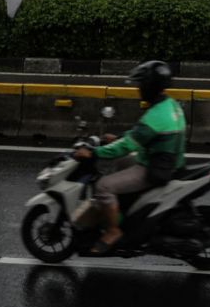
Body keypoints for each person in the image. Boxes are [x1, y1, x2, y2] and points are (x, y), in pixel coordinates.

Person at [73, 60, 186, 254]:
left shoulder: (156, 115)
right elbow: (140, 136)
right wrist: (117, 138)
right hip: (167, 161)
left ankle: (113, 230)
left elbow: (126, 146)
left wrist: (94, 152)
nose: (138, 89)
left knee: (103, 186)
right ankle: (123, 208)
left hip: (154, 168)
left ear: (149, 86)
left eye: (141, 85)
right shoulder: (171, 105)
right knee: (122, 162)